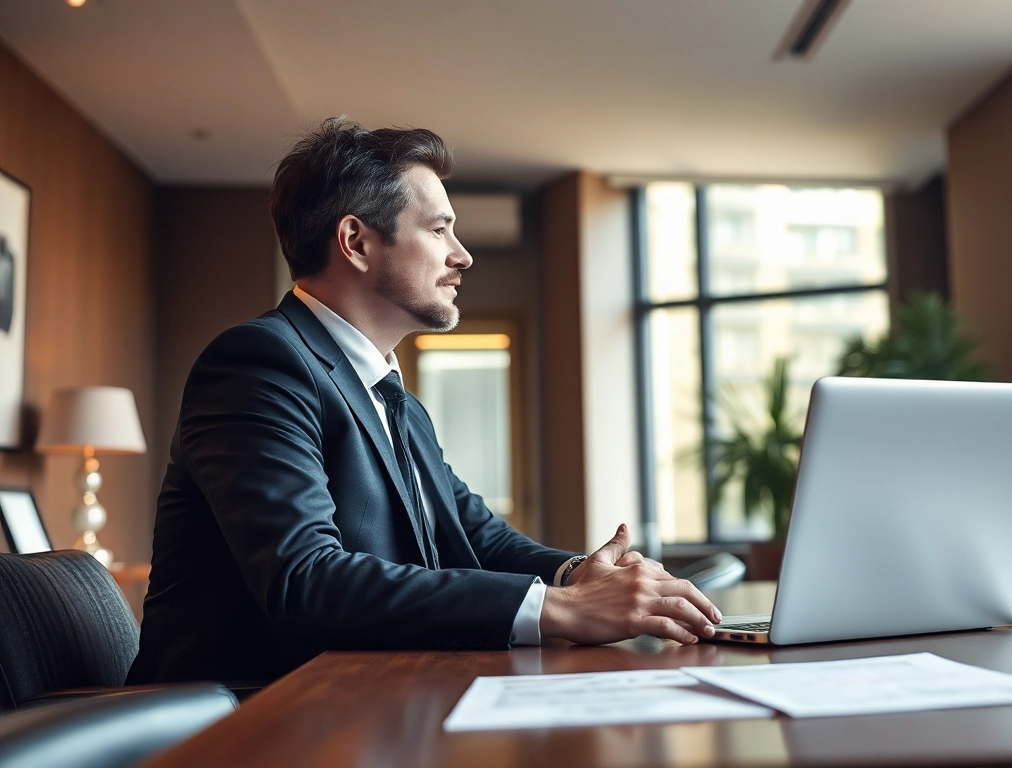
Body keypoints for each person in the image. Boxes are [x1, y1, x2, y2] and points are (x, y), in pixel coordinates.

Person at [127, 118, 721, 685]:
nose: (461, 255)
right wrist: (560, 609)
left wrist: (578, 575)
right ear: (356, 241)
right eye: (439, 230)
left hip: (364, 698)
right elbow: (305, 580)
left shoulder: (394, 399)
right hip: (242, 718)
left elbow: (474, 534)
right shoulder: (260, 362)